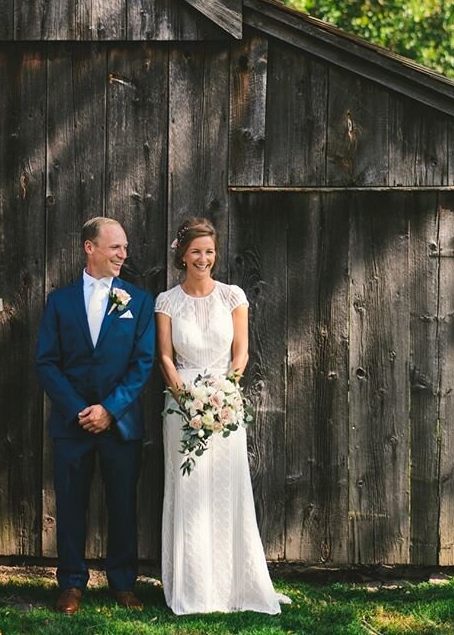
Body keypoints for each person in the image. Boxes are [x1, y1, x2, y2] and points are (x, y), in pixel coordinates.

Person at [155, 217, 283, 615]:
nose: (204, 258)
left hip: (226, 404)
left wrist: (226, 391)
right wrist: (187, 399)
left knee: (228, 491)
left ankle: (235, 587)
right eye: (196, 252)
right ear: (182, 255)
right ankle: (193, 588)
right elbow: (165, 356)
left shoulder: (233, 296)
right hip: (182, 406)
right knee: (189, 490)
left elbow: (241, 352)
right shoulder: (167, 301)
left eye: (209, 251)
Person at [36, 216, 155, 616]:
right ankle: (70, 584)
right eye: (115, 247)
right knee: (70, 506)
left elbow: (143, 363)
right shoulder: (60, 302)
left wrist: (109, 409)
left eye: (124, 247)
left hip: (120, 424)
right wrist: (77, 410)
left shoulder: (138, 301)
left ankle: (123, 583)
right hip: (72, 425)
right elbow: (47, 363)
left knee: (123, 505)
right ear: (89, 247)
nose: (123, 254)